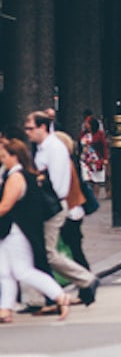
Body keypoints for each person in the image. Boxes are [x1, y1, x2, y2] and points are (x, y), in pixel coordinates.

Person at [25, 111, 99, 309]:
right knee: (40, 253)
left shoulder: (55, 148)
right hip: (48, 207)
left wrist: (46, 204)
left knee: (49, 253)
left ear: (43, 127)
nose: (28, 132)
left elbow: (59, 185)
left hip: (53, 208)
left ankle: (84, 281)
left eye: (30, 128)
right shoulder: (41, 148)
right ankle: (44, 297)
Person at [0, 138, 70, 323]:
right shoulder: (15, 174)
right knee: (5, 272)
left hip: (16, 231)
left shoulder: (16, 177)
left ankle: (60, 296)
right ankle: (5, 310)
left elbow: (5, 206)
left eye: (4, 156)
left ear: (15, 157)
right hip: (10, 231)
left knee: (22, 271)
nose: (2, 159)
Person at [54, 132, 90, 271]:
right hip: (74, 210)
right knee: (74, 249)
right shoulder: (68, 162)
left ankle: (86, 279)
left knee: (74, 250)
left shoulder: (65, 164)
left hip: (71, 211)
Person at [79, 117, 108, 199]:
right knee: (87, 178)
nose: (85, 125)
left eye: (87, 123)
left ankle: (95, 196)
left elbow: (104, 146)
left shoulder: (99, 134)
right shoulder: (83, 134)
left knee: (96, 179)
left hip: (96, 158)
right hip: (85, 159)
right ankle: (89, 196)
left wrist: (105, 158)